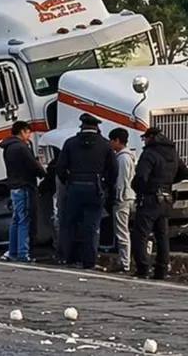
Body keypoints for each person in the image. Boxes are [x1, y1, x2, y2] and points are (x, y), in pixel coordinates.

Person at [56, 113, 117, 269]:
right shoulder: (105, 145)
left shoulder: (70, 143)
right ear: (97, 128)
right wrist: (106, 186)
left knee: (71, 223)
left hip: (75, 187)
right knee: (92, 226)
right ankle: (89, 261)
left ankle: (69, 258)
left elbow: (60, 168)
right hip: (96, 188)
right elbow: (114, 170)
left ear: (81, 126)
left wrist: (68, 182)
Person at [130, 125, 188, 280]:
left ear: (150, 138)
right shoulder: (172, 152)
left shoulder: (150, 153)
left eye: (144, 138)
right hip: (167, 198)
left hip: (150, 198)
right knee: (162, 235)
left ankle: (143, 267)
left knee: (140, 234)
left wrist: (139, 189)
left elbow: (141, 176)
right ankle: (161, 269)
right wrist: (168, 182)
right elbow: (185, 172)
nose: (144, 141)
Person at [0, 120, 46, 262]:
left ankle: (12, 251)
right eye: (28, 132)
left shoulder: (8, 147)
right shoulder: (22, 148)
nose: (29, 136)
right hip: (24, 185)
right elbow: (33, 165)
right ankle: (22, 252)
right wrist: (43, 172)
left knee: (16, 220)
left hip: (14, 186)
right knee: (24, 219)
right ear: (21, 132)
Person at [107, 127, 137, 273]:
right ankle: (126, 260)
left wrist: (118, 196)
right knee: (126, 229)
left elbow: (122, 180)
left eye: (111, 141)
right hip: (129, 196)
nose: (110, 144)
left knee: (121, 231)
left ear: (118, 141)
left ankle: (124, 262)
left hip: (123, 198)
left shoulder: (122, 158)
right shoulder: (128, 156)